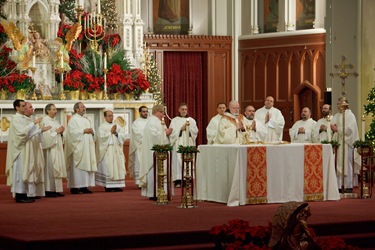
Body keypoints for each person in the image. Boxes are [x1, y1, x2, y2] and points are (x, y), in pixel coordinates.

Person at [5, 100, 50, 203]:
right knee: (20, 171)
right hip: (20, 150)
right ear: (17, 108)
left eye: (25, 106)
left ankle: (24, 193)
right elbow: (21, 133)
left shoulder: (24, 119)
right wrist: (33, 124)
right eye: (23, 106)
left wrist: (40, 131)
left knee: (26, 170)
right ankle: (19, 195)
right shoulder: (15, 119)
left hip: (26, 148)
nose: (25, 107)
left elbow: (30, 133)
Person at [139, 104, 173, 199]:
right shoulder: (152, 121)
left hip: (161, 151)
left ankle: (162, 192)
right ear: (155, 112)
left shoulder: (158, 121)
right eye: (162, 112)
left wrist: (167, 133)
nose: (164, 114)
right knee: (154, 171)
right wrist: (166, 133)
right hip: (153, 153)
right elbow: (153, 135)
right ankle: (154, 193)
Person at [65, 102, 97, 194]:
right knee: (77, 168)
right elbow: (71, 133)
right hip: (78, 147)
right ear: (76, 109)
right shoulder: (73, 120)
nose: (84, 108)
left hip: (87, 148)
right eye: (82, 107)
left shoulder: (86, 119)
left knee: (86, 166)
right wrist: (83, 131)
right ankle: (75, 187)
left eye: (84, 107)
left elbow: (92, 130)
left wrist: (91, 131)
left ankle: (84, 186)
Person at [331, 98, 361, 193]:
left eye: (340, 104)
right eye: (338, 104)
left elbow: (349, 129)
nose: (339, 106)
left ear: (346, 104)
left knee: (346, 163)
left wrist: (337, 129)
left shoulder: (350, 115)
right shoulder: (336, 116)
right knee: (337, 164)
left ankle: (348, 185)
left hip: (347, 143)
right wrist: (333, 128)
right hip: (338, 142)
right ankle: (338, 185)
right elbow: (332, 126)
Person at [96, 110, 128, 192]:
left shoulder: (117, 125)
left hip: (117, 149)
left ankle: (117, 185)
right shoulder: (102, 127)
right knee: (109, 167)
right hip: (108, 150)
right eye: (109, 116)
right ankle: (108, 186)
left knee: (118, 167)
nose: (111, 117)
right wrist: (110, 132)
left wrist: (116, 133)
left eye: (112, 115)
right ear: (105, 117)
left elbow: (123, 136)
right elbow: (101, 138)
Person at [169, 103, 199, 187]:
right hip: (178, 143)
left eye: (185, 109)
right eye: (182, 109)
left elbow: (195, 132)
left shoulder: (191, 120)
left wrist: (188, 129)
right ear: (179, 110)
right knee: (177, 161)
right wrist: (180, 129)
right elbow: (172, 132)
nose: (184, 111)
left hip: (188, 143)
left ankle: (187, 180)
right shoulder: (174, 120)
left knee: (188, 161)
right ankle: (178, 180)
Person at [41, 103, 66, 197]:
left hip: (57, 148)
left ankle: (56, 189)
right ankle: (49, 190)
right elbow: (45, 137)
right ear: (48, 111)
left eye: (56, 109)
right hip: (50, 149)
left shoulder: (55, 121)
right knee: (50, 168)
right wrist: (56, 132)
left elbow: (58, 133)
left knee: (57, 168)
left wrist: (61, 132)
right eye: (54, 109)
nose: (56, 111)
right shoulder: (45, 121)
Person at [129, 106, 149, 185]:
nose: (145, 113)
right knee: (140, 163)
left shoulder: (150, 121)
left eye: (146, 111)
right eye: (143, 111)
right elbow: (136, 134)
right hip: (140, 146)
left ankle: (148, 180)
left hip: (149, 147)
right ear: (140, 112)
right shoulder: (136, 123)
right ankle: (140, 182)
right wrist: (147, 137)